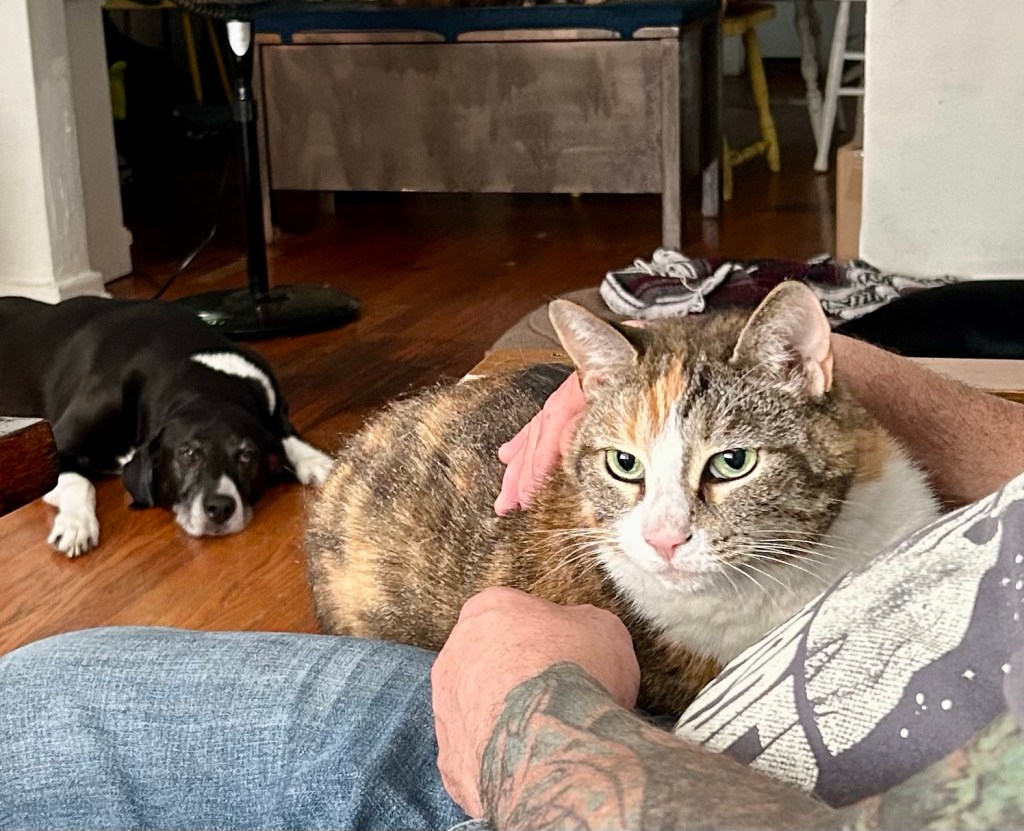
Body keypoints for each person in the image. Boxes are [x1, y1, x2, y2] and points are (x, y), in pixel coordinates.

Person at [1, 334, 1022, 830]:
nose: (662, 536)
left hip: (592, 765)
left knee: (37, 700)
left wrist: (530, 713)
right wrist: (781, 358)